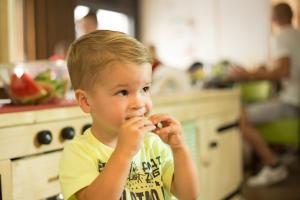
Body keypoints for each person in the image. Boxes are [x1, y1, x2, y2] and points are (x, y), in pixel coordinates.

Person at [59, 30, 199, 200]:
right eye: (123, 92)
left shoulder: (152, 144)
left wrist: (179, 148)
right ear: (86, 101)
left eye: (145, 89)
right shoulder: (79, 152)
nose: (139, 103)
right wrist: (124, 153)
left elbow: (188, 195)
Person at [229, 2, 300, 187]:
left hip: (292, 102)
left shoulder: (281, 37)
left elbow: (284, 71)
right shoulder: (297, 35)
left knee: (240, 116)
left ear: (274, 19)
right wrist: (265, 70)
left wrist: (248, 74)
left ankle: (273, 165)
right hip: (292, 99)